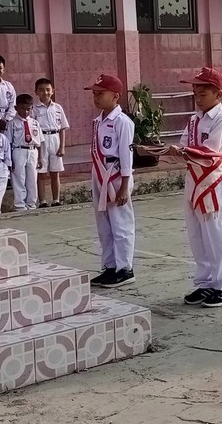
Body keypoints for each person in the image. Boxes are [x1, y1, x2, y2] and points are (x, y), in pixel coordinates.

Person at [175, 67, 222, 308]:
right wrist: (168, 152)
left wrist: (184, 153)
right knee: (196, 234)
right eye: (195, 93)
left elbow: (210, 153)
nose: (197, 98)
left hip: (211, 183)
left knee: (215, 233)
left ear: (218, 95)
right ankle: (206, 281)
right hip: (193, 181)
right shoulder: (194, 120)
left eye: (202, 94)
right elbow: (184, 146)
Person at [86, 74, 136, 288]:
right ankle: (109, 266)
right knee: (104, 224)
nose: (96, 97)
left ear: (115, 96)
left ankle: (125, 268)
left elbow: (126, 154)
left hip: (116, 174)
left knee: (120, 223)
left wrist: (125, 185)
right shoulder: (98, 121)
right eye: (94, 93)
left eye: (101, 93)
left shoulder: (122, 122)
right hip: (99, 172)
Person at [33, 78, 70, 207]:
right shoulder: (34, 109)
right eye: (41, 90)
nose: (45, 93)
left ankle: (56, 200)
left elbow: (62, 128)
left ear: (52, 91)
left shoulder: (58, 108)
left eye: (48, 90)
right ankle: (42, 201)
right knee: (41, 172)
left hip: (55, 138)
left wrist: (62, 147)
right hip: (41, 139)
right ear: (36, 92)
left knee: (55, 172)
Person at [9, 94, 42, 211]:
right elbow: (9, 142)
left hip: (32, 151)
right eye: (22, 108)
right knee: (19, 178)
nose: (26, 111)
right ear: (16, 108)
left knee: (32, 178)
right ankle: (20, 204)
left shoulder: (35, 123)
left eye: (28, 109)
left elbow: (40, 142)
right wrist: (10, 160)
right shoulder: (12, 123)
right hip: (18, 151)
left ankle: (31, 203)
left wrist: (40, 158)